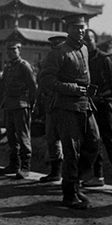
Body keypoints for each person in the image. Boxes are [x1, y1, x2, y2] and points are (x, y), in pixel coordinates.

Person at [38, 14, 101, 209]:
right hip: (66, 107)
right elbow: (45, 79)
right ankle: (69, 194)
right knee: (71, 151)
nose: (81, 30)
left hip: (85, 103)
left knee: (94, 142)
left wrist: (86, 90)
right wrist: (74, 89)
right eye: (76, 27)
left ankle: (77, 182)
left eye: (83, 27)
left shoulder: (84, 48)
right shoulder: (58, 52)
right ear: (68, 30)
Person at [82, 29, 112, 193]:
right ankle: (98, 176)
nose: (87, 42)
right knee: (94, 141)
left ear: (96, 40)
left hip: (105, 105)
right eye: (84, 40)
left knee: (111, 140)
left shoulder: (104, 58)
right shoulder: (83, 59)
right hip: (90, 105)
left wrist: (109, 101)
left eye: (90, 39)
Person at [0, 40, 37, 180]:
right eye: (8, 51)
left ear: (19, 51)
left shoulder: (24, 66)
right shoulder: (8, 67)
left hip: (21, 105)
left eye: (13, 50)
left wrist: (32, 106)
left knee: (23, 136)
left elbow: (33, 87)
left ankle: (25, 167)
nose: (10, 53)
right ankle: (14, 164)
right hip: (9, 105)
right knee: (11, 136)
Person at [37, 35, 67, 183]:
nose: (55, 48)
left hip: (66, 105)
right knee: (52, 138)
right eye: (53, 46)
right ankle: (56, 171)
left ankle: (71, 174)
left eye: (58, 45)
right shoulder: (47, 62)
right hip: (51, 104)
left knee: (68, 139)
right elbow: (41, 81)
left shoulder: (70, 61)